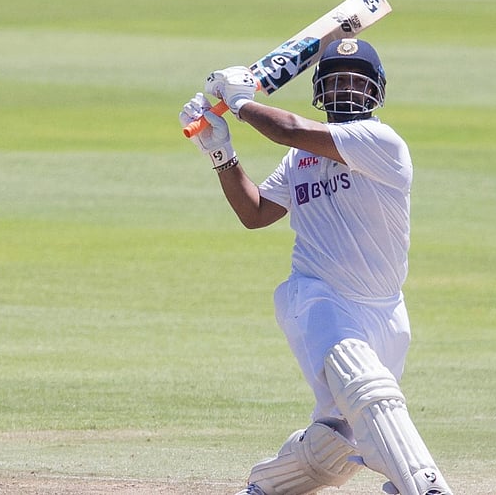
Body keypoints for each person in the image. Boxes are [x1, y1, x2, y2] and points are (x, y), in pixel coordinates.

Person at [179, 39, 453, 495]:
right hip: (316, 296)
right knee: (368, 391)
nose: (346, 91)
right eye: (336, 82)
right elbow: (255, 213)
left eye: (355, 82)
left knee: (338, 439)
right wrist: (220, 153)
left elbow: (285, 127)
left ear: (375, 93)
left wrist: (240, 102)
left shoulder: (381, 142)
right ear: (320, 92)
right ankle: (426, 487)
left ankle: (266, 485)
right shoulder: (299, 158)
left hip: (385, 311)